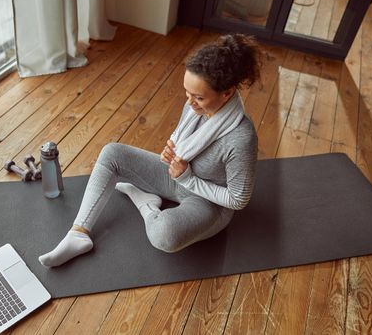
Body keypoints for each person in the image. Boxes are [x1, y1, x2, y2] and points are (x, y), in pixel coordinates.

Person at [39, 33, 261, 267]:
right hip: (175, 177)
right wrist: (171, 152)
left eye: (198, 97)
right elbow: (184, 144)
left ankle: (146, 204)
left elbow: (237, 200)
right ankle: (78, 233)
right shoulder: (194, 106)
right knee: (112, 152)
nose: (190, 102)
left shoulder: (241, 138)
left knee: (165, 233)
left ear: (227, 93)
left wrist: (188, 178)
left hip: (208, 203)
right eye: (187, 93)